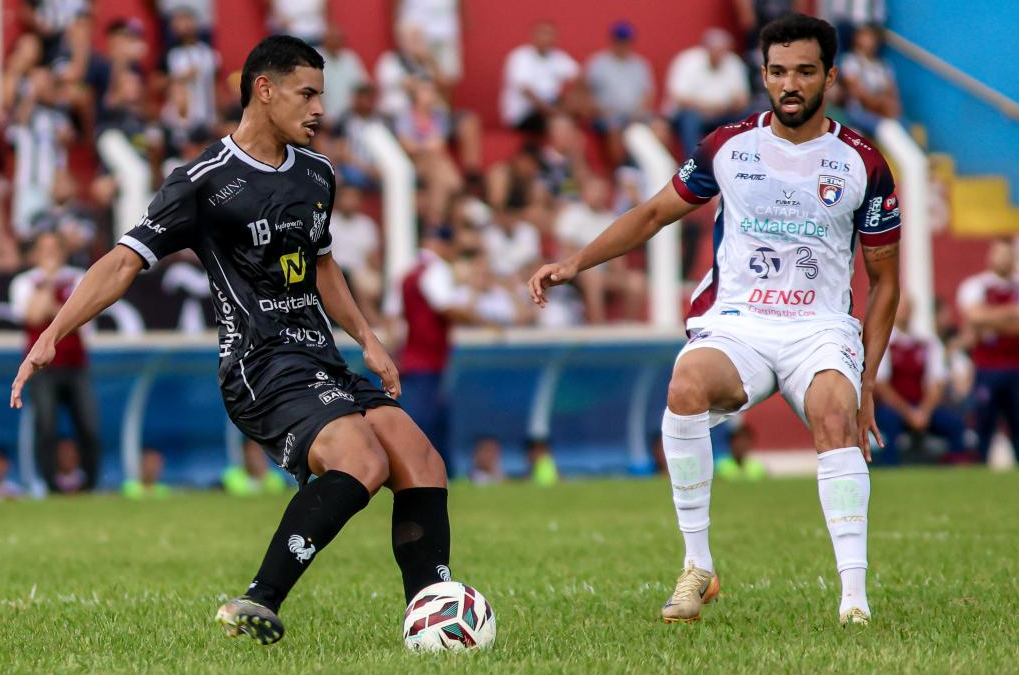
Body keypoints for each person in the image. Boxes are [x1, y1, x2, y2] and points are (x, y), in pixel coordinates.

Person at [10, 36, 455, 646]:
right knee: (363, 461)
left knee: (422, 461)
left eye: (321, 95)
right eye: (307, 94)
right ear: (263, 90)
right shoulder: (202, 181)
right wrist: (52, 335)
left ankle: (431, 621)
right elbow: (121, 263)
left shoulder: (317, 173)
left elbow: (322, 267)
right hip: (259, 365)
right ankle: (257, 600)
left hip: (321, 359)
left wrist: (368, 340)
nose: (320, 108)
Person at [529, 14, 901, 627]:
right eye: (778, 71)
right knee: (685, 388)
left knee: (835, 416)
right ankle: (698, 568)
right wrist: (575, 263)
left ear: (830, 76)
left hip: (821, 329)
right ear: (762, 75)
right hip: (739, 323)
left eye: (805, 71)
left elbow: (885, 281)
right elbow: (652, 215)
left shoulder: (864, 162)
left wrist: (866, 384)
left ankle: (854, 600)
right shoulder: (729, 146)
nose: (790, 84)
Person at [9, 232, 101, 494]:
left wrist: (53, 312)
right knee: (46, 428)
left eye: (54, 249)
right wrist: (50, 285)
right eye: (44, 249)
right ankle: (51, 486)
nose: (49, 255)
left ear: (63, 252)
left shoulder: (79, 277)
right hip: (41, 369)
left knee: (89, 427)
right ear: (36, 253)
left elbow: (83, 321)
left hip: (76, 365)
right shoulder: (25, 282)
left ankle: (90, 485)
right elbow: (32, 315)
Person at [873, 296, 968, 464]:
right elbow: (882, 386)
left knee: (955, 424)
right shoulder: (885, 342)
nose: (904, 312)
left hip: (921, 405)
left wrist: (924, 411)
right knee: (889, 424)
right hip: (895, 407)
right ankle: (890, 468)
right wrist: (909, 414)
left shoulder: (927, 342)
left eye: (907, 307)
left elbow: (937, 382)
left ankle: (954, 467)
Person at [956, 237, 1019, 463]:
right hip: (987, 368)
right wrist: (1011, 314)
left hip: (1015, 366)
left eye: (1007, 253)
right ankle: (981, 463)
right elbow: (973, 317)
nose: (1003, 258)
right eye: (998, 253)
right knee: (984, 422)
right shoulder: (977, 286)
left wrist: (989, 320)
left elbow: (982, 319)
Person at [663, 28, 750, 155]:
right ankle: (693, 164)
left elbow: (742, 100)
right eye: (716, 50)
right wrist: (711, 107)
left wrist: (721, 108)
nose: (720, 55)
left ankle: (738, 160)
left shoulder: (733, 62)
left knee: (747, 118)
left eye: (724, 51)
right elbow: (680, 99)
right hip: (691, 114)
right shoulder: (688, 61)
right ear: (706, 48)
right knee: (690, 118)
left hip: (723, 114)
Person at [585, 21, 655, 166]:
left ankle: (655, 171)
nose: (623, 44)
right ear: (613, 40)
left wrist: (640, 111)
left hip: (635, 114)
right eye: (619, 40)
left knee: (659, 127)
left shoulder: (640, 65)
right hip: (607, 115)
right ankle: (623, 171)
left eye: (626, 40)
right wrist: (600, 110)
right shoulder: (598, 63)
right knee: (614, 126)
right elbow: (587, 93)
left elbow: (648, 93)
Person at [499, 21, 579, 134]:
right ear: (533, 36)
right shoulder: (520, 57)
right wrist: (551, 111)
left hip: (552, 107)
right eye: (543, 34)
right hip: (524, 114)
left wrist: (574, 98)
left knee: (576, 105)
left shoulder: (558, 57)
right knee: (559, 123)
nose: (546, 38)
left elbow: (579, 78)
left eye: (550, 34)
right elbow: (526, 91)